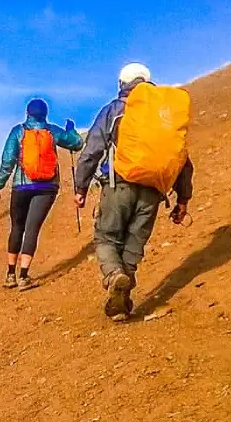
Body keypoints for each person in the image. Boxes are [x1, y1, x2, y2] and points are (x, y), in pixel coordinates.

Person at [74, 63, 194, 322]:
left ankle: (114, 275)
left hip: (120, 184)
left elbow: (93, 149)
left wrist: (80, 187)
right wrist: (183, 199)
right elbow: (182, 157)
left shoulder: (115, 110)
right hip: (154, 190)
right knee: (133, 245)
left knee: (106, 238)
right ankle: (121, 302)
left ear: (121, 84)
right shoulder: (164, 114)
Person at [0, 99, 84, 291]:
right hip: (47, 187)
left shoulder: (18, 131)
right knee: (32, 229)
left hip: (22, 186)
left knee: (17, 227)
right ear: (45, 114)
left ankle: (10, 274)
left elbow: (8, 160)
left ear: (27, 113)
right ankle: (24, 276)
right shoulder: (52, 130)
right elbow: (77, 143)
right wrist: (71, 129)